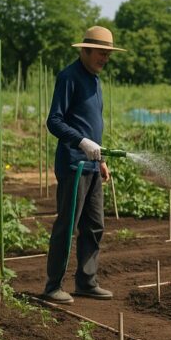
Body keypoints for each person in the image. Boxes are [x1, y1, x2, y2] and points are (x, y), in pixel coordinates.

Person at [43, 26, 126, 304]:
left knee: (94, 225)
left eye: (108, 54)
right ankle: (53, 286)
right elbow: (54, 121)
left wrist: (100, 158)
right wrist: (81, 142)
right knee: (68, 225)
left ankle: (86, 281)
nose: (105, 58)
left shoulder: (95, 81)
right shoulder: (69, 77)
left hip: (91, 165)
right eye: (101, 53)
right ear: (85, 50)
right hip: (73, 164)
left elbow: (92, 125)